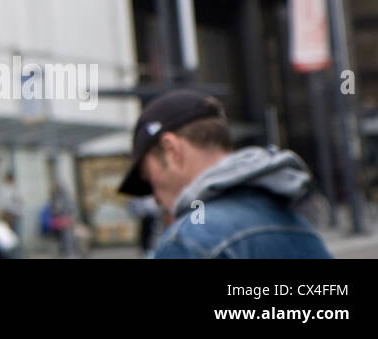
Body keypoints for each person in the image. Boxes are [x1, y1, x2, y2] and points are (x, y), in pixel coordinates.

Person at [118, 90, 331, 259]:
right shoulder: (301, 228)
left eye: (148, 175)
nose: (154, 197)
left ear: (172, 150)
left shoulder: (189, 240)